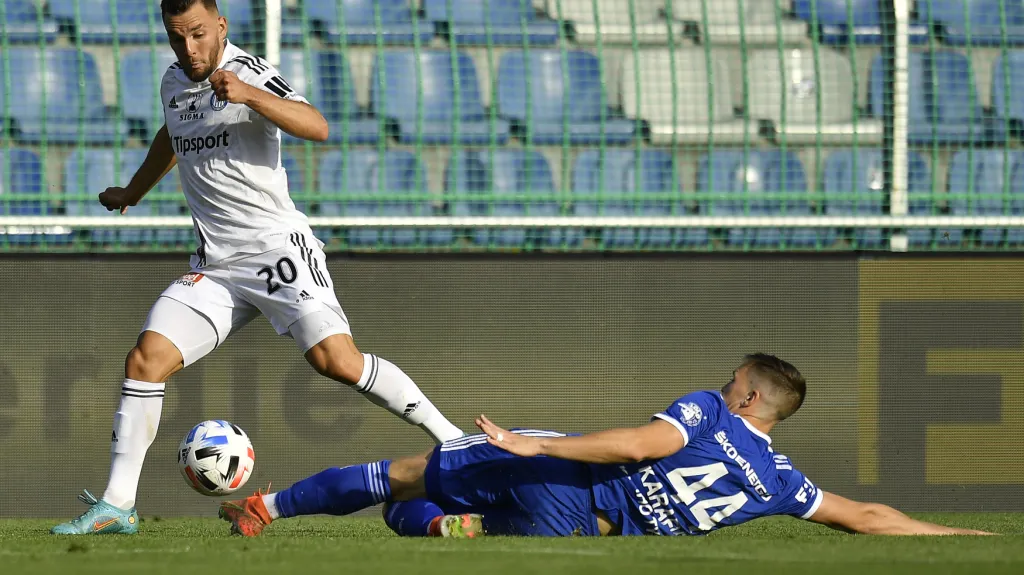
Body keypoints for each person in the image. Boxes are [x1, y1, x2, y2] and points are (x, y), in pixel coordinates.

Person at [51, 0, 463, 536]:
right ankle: (117, 505)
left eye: (198, 34)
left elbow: (317, 126)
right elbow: (172, 133)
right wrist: (134, 189)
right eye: (178, 38)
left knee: (336, 361)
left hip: (277, 252)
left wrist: (250, 96)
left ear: (220, 26)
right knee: (145, 360)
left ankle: (452, 438)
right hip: (217, 266)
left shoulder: (250, 73)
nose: (189, 49)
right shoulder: (174, 81)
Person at [217, 354, 993, 538]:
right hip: (588, 532)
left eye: (734, 381)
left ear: (752, 397)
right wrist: (957, 535)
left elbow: (638, 441)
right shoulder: (779, 481)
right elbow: (864, 514)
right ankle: (463, 530)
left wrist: (529, 441)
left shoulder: (710, 413)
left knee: (404, 478)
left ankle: (263, 505)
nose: (725, 386)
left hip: (570, 476)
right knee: (441, 522)